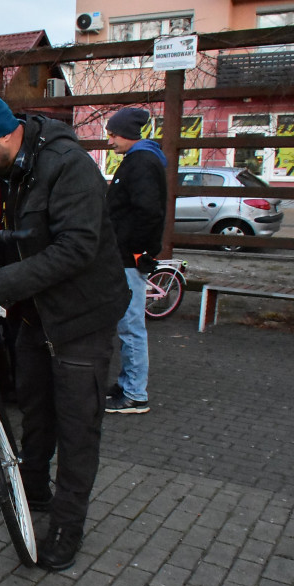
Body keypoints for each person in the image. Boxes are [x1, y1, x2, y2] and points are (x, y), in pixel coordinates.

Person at [0, 85, 128, 571]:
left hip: (81, 316)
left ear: (6, 135)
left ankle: (68, 524)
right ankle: (35, 488)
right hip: (33, 312)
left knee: (77, 424)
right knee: (37, 409)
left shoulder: (68, 166)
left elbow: (77, 248)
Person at [104, 107, 167, 415]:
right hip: (127, 255)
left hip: (129, 258)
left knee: (131, 327)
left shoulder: (140, 163)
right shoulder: (139, 160)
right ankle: (127, 383)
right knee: (128, 324)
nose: (110, 141)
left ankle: (135, 394)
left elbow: (148, 212)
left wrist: (140, 251)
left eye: (113, 135)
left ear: (128, 134)